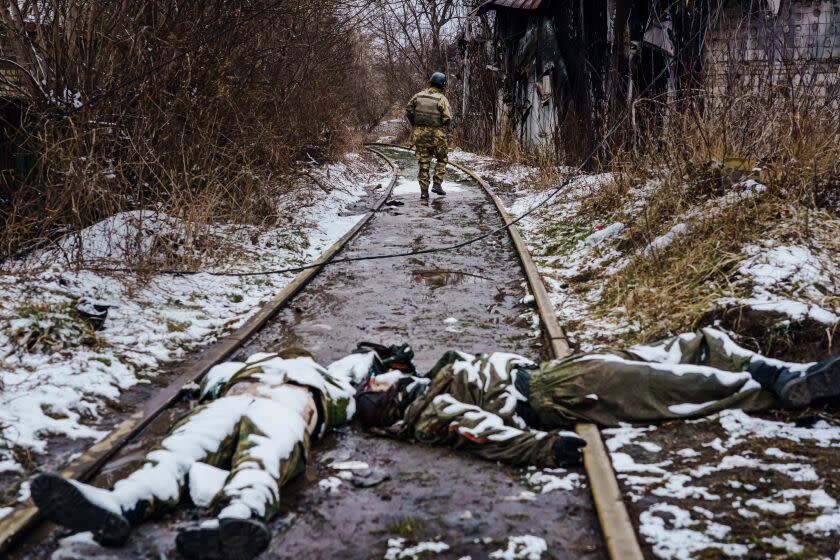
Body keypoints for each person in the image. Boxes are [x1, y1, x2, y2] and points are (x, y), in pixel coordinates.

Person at [30, 346, 412, 560]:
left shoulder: (325, 378)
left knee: (259, 461)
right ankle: (119, 504)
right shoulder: (256, 365)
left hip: (286, 410)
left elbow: (357, 377)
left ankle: (236, 520)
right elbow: (210, 379)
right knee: (177, 452)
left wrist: (376, 359)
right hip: (240, 403)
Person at [354, 328, 840, 466]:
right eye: (374, 388)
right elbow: (482, 434)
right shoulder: (429, 412)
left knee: (692, 344)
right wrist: (543, 449)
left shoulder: (425, 384)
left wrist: (399, 362)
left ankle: (778, 372)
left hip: (558, 373)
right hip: (560, 395)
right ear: (388, 407)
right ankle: (783, 390)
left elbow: (446, 364)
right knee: (683, 387)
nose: (376, 379)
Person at [405, 72, 453, 199]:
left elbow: (408, 111)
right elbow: (448, 118)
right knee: (442, 159)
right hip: (436, 135)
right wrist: (441, 125)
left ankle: (424, 192)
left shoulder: (418, 96)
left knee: (424, 163)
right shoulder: (441, 99)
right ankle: (437, 184)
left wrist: (416, 124)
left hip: (419, 135)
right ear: (442, 85)